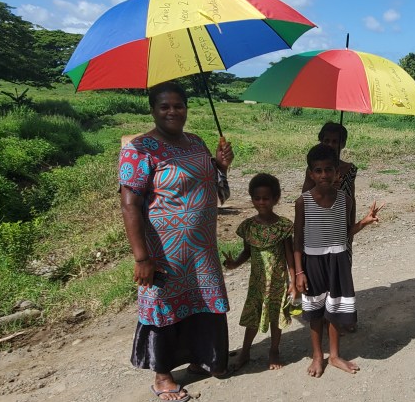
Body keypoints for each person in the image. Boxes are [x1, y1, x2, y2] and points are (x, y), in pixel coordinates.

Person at [119, 82, 233, 402]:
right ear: (153, 110)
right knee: (164, 307)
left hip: (201, 248)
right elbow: (129, 205)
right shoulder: (139, 149)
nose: (172, 111)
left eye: (178, 105)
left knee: (203, 300)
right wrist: (142, 258)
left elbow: (215, 188)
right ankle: (163, 376)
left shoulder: (196, 142)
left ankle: (203, 359)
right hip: (163, 252)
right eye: (164, 106)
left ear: (186, 108)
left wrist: (221, 166)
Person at [293, 144, 382, 377]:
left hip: (338, 260)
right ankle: (317, 356)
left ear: (337, 173)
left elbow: (346, 233)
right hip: (313, 262)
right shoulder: (303, 202)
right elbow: (297, 239)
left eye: (328, 170)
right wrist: (299, 272)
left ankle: (334, 355)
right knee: (315, 312)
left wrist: (364, 222)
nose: (324, 175)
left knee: (335, 309)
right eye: (318, 170)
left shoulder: (345, 200)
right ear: (311, 174)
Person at [223, 173, 295, 371]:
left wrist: (294, 281)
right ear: (252, 198)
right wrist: (234, 264)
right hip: (257, 283)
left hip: (278, 282)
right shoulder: (248, 227)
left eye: (266, 198)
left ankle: (274, 351)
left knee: (276, 316)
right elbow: (247, 252)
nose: (261, 202)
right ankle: (245, 352)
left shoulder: (283, 227)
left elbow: (289, 255)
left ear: (275, 199)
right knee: (253, 317)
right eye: (257, 198)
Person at [301, 121, 358, 199]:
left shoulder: (349, 169)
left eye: (335, 141)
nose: (330, 145)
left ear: (343, 144)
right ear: (321, 142)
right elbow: (305, 197)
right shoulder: (315, 170)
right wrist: (326, 188)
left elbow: (351, 197)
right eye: (327, 141)